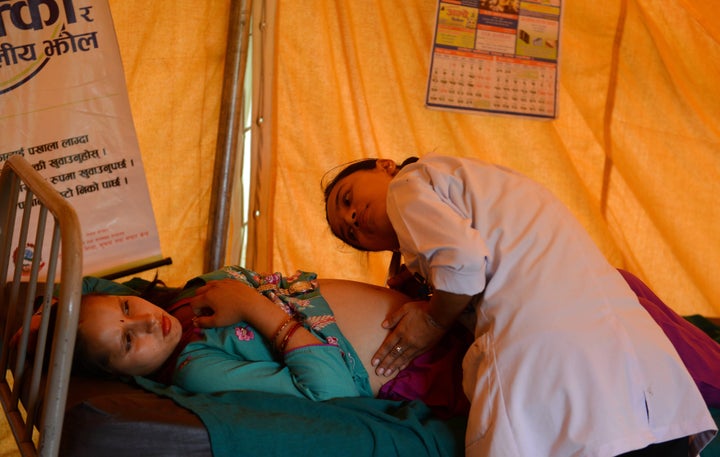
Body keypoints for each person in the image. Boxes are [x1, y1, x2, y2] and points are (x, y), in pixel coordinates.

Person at [322, 153, 718, 456]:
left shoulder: (407, 185)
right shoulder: (474, 184)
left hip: (562, 367)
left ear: (385, 166)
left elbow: (461, 264)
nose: (353, 218)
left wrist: (431, 321)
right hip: (641, 374)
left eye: (347, 199)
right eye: (350, 233)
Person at [72, 266, 472, 418]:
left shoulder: (175, 303)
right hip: (426, 369)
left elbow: (89, 285)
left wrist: (43, 313)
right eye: (126, 341)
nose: (144, 321)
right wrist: (253, 306)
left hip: (439, 323)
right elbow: (330, 394)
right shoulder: (196, 370)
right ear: (116, 373)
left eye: (126, 305)